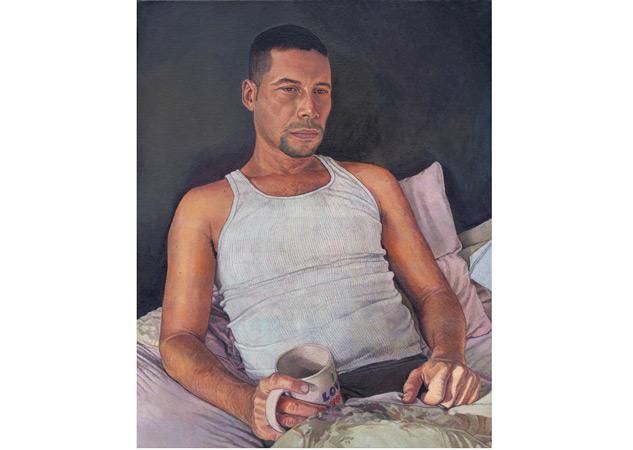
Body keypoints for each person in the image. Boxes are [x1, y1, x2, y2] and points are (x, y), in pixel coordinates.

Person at [158, 24, 481, 442]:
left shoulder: (372, 182)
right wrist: (246, 402)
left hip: (410, 389)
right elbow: (179, 339)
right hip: (302, 410)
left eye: (321, 91)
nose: (309, 108)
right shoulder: (204, 207)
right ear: (251, 95)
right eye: (289, 89)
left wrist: (449, 357)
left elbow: (434, 292)